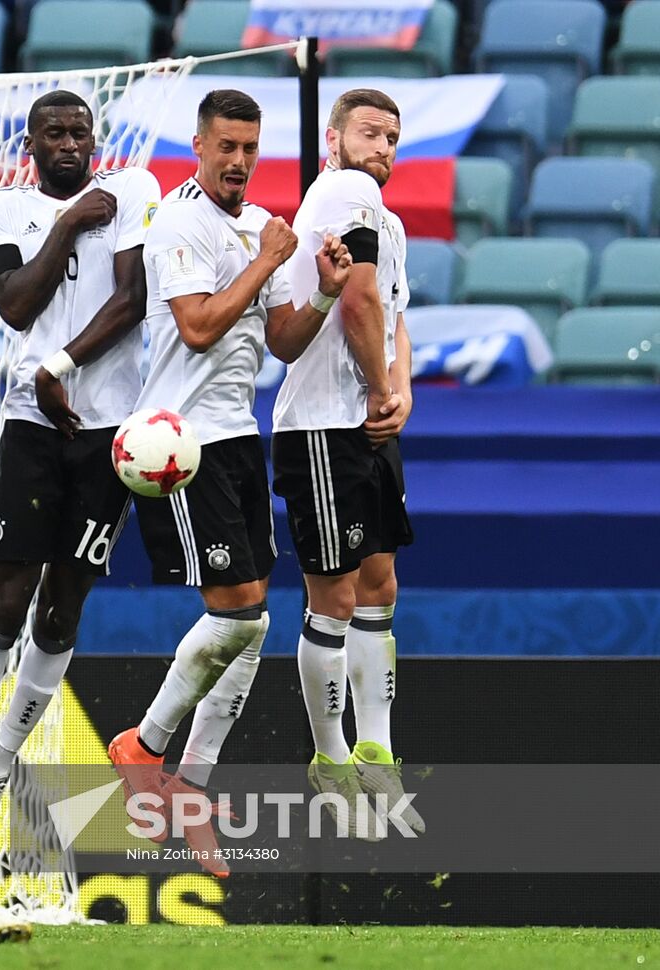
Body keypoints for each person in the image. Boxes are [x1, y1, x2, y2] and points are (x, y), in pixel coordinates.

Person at [103, 90, 354, 869]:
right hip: (180, 443)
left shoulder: (256, 227)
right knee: (240, 616)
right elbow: (199, 324)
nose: (239, 161)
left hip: (240, 438)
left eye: (250, 147)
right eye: (226, 147)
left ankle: (194, 785)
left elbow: (279, 343)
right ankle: (142, 745)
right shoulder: (181, 222)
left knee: (256, 626)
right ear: (199, 146)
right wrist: (270, 261)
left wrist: (320, 291)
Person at [0, 90, 162, 851]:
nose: (70, 143)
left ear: (94, 138)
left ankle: (2, 759)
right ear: (30, 143)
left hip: (108, 434)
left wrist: (61, 365)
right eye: (54, 133)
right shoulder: (1, 211)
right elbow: (14, 304)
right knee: (10, 587)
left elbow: (131, 300)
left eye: (80, 132)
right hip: (31, 430)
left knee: (65, 604)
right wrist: (67, 224)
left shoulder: (132, 191)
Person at [271, 88, 424, 837]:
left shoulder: (387, 219)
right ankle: (330, 754)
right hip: (323, 422)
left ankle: (376, 747)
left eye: (393, 137)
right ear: (334, 138)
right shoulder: (343, 189)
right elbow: (357, 301)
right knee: (332, 595)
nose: (383, 148)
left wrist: (401, 391)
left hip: (365, 421)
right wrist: (377, 387)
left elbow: (394, 316)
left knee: (380, 581)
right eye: (370, 132)